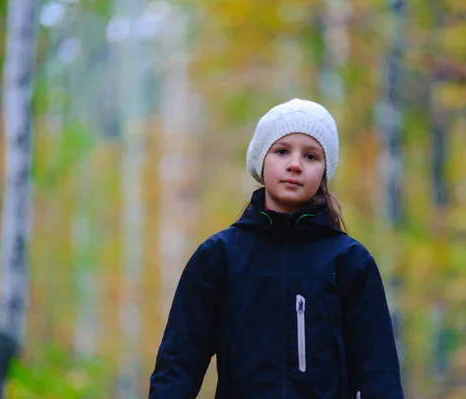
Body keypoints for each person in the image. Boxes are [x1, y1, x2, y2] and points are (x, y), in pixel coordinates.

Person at [149, 98, 404, 399]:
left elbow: (378, 372)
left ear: (324, 171)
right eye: (282, 151)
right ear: (262, 160)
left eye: (311, 156)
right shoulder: (219, 257)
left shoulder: (350, 262)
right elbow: (178, 365)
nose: (295, 164)